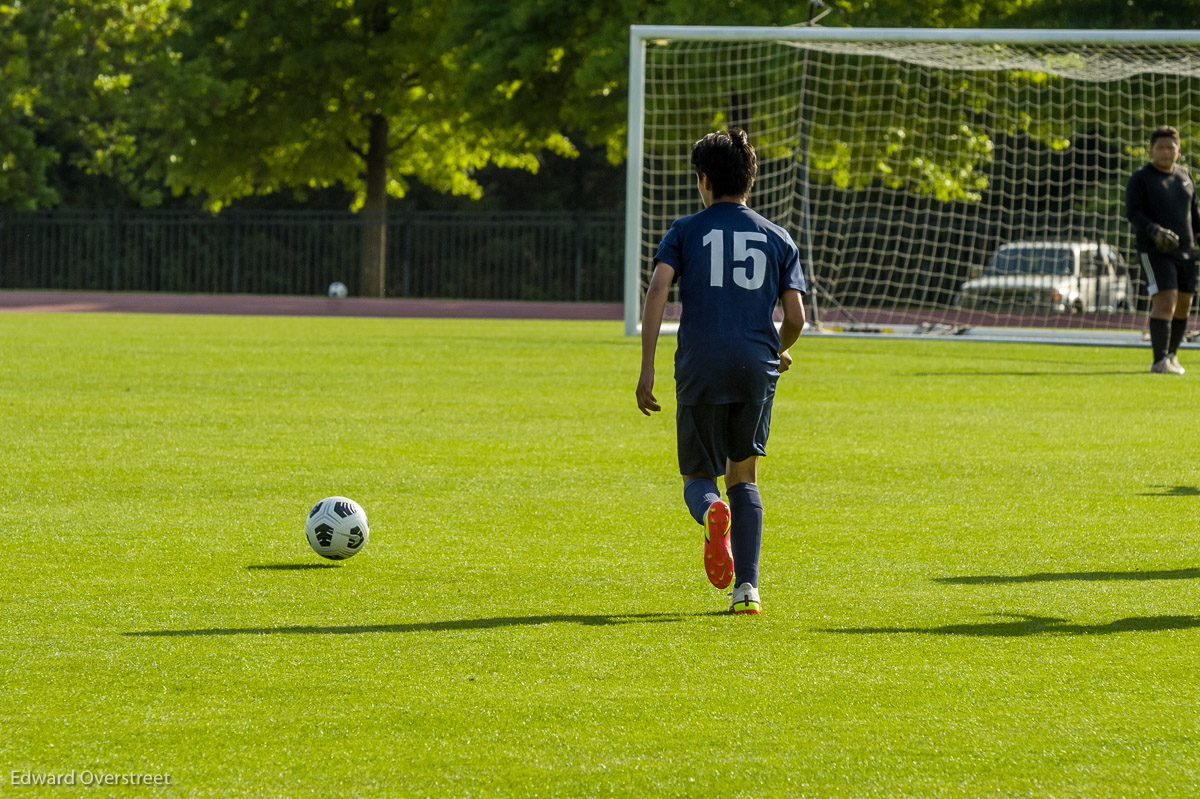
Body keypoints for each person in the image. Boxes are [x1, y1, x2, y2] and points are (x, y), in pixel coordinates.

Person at [636, 129, 807, 615]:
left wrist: (647, 366)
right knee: (745, 474)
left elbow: (657, 289)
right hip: (755, 365)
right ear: (750, 181)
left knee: (698, 474)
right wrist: (776, 349)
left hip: (699, 363)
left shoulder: (686, 230)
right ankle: (747, 591)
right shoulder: (778, 237)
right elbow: (795, 318)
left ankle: (712, 510)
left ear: (704, 180)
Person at [1126, 125, 1200, 373]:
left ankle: (1171, 356)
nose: (1166, 152)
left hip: (1186, 252)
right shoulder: (1141, 178)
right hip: (1155, 251)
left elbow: (1195, 217)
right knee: (1166, 299)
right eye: (1160, 147)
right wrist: (1154, 230)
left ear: (1178, 150)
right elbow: (1133, 212)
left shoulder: (1185, 176)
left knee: (1184, 304)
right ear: (1151, 150)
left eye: (1170, 147)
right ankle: (1159, 361)